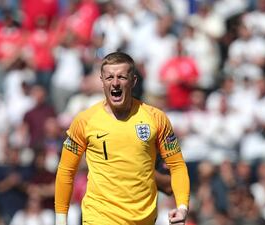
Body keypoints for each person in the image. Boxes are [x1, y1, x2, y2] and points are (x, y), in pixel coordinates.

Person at [54, 52, 190, 225]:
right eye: (109, 77)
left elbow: (177, 165)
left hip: (144, 220)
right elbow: (66, 170)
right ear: (102, 81)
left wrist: (182, 207)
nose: (115, 83)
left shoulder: (156, 118)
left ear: (133, 81)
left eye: (121, 77)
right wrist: (60, 219)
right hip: (99, 218)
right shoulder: (84, 121)